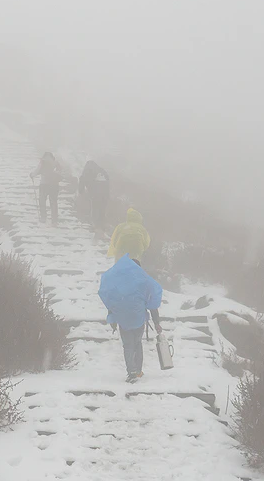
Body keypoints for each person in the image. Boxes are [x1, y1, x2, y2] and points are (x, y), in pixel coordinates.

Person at [99, 255, 163, 383]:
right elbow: (152, 303)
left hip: (123, 319)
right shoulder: (144, 282)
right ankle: (138, 370)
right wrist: (156, 322)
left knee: (128, 346)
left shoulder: (118, 283)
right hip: (139, 318)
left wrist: (112, 320)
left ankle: (131, 372)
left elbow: (112, 301)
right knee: (137, 343)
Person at [78, 160, 110, 236]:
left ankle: (96, 226)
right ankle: (102, 226)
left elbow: (82, 181)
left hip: (95, 194)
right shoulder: (102, 171)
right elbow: (108, 181)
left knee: (95, 208)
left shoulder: (87, 171)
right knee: (102, 210)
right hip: (105, 194)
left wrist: (81, 191)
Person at [30, 152, 62, 226]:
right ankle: (54, 221)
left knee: (42, 201)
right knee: (53, 202)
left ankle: (43, 217)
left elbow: (37, 171)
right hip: (54, 185)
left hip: (44, 184)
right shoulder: (56, 162)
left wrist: (32, 175)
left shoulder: (43, 162)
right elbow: (60, 171)